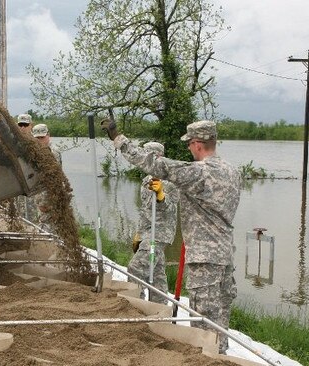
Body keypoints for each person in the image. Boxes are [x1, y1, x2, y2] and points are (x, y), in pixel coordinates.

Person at [101, 119, 241, 354]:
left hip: (204, 259)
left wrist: (119, 139)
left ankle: (206, 358)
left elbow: (156, 165)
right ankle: (221, 357)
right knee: (220, 320)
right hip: (225, 256)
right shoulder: (233, 171)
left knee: (202, 323)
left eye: (189, 144)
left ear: (197, 144)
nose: (188, 149)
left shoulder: (200, 173)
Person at [128, 141, 178, 305]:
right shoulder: (146, 181)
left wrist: (161, 194)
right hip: (147, 232)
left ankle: (135, 305)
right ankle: (160, 308)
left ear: (158, 157)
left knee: (136, 269)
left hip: (160, 234)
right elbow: (146, 210)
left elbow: (170, 208)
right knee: (157, 275)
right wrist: (139, 234)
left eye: (148, 157)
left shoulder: (170, 180)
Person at [31, 123, 62, 231]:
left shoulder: (52, 151)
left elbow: (52, 178)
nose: (40, 140)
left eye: (42, 137)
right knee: (42, 222)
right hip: (40, 195)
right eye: (37, 138)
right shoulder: (36, 151)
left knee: (49, 226)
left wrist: (45, 201)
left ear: (48, 135)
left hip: (49, 196)